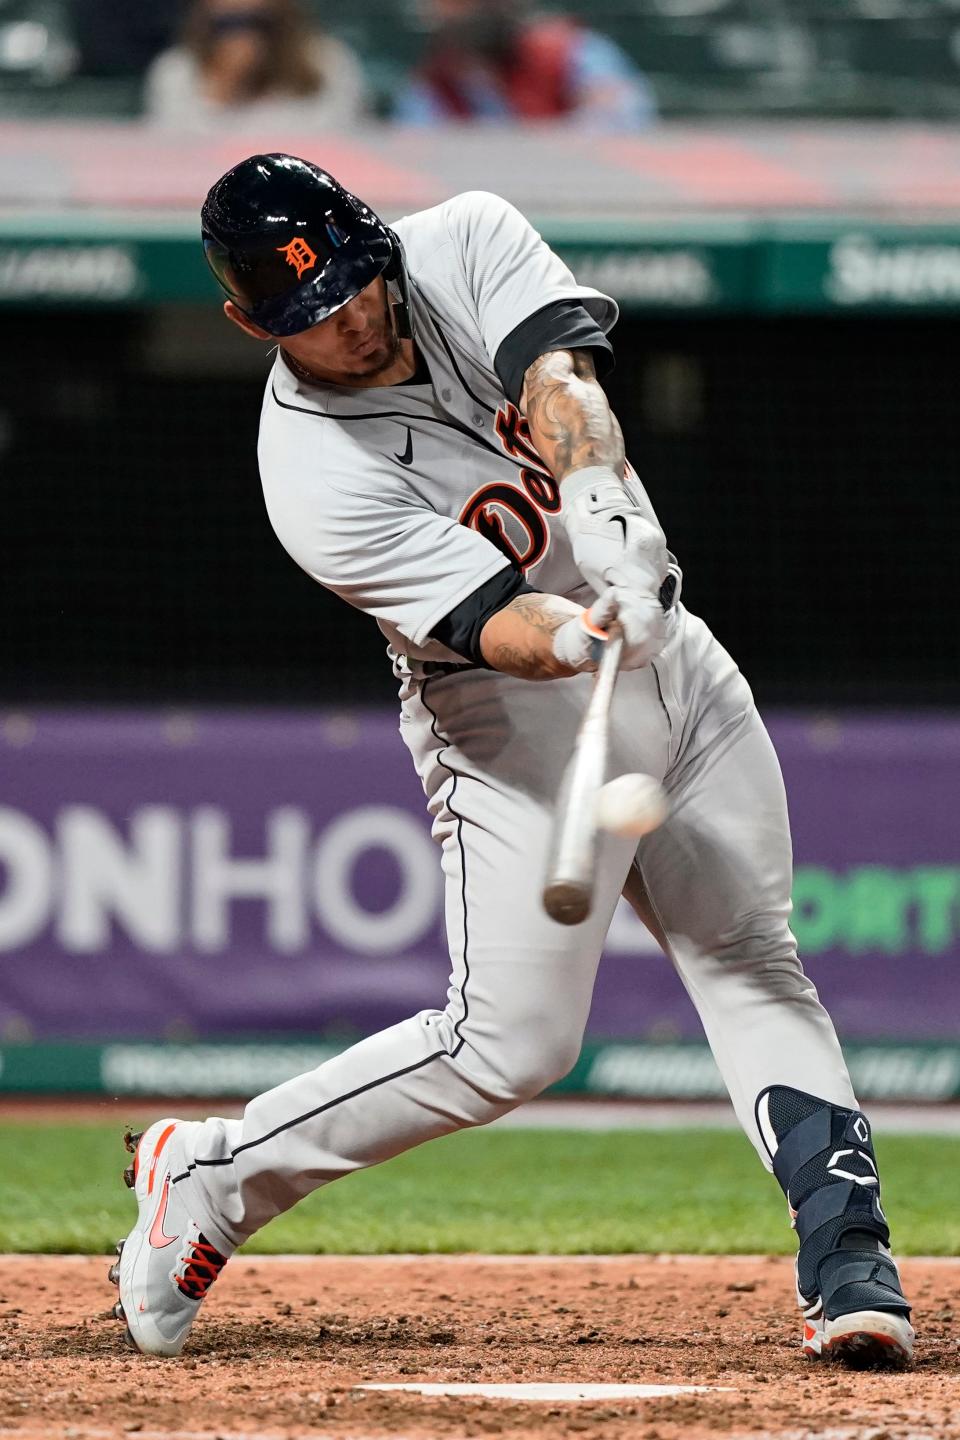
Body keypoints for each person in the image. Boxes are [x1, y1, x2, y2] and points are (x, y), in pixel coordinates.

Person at [108, 153, 914, 1370]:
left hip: (677, 657)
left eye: (355, 286)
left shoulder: (465, 236)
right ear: (248, 324)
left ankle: (850, 1258)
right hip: (505, 714)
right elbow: (498, 629)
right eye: (309, 318)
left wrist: (603, 512)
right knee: (511, 1045)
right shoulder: (308, 473)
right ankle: (213, 1175)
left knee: (752, 956)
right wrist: (580, 626)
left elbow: (558, 379)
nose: (352, 320)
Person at [395, 0, 655, 129]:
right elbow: (415, 145)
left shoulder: (571, 51)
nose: (474, 13)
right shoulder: (435, 82)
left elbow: (625, 120)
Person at [144, 0, 367, 132]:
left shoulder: (329, 62)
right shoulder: (176, 70)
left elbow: (338, 139)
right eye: (229, 24)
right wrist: (222, 90)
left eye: (256, 22)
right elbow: (172, 155)